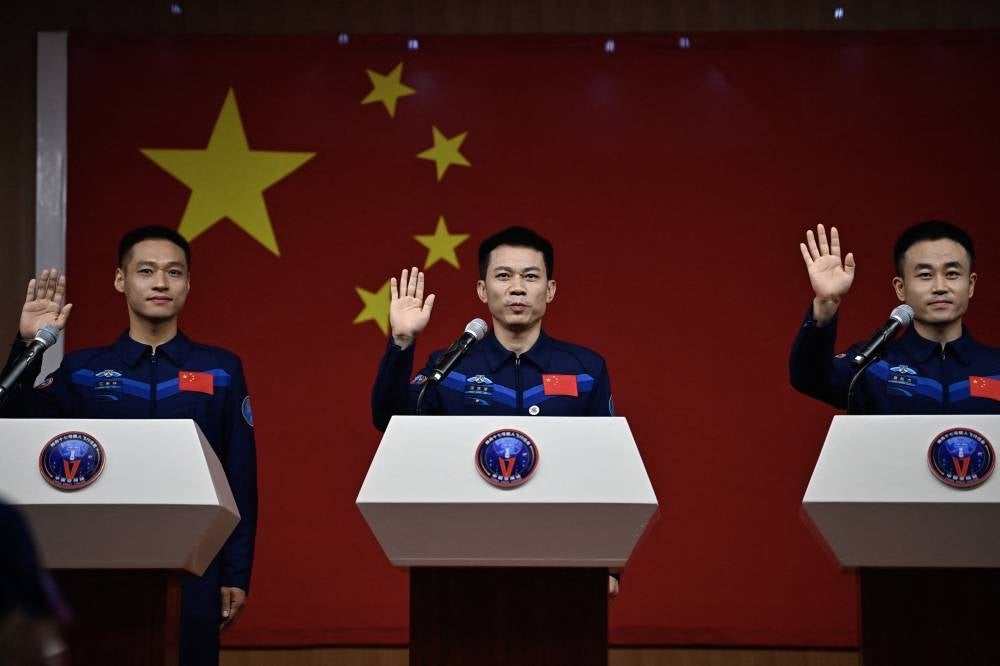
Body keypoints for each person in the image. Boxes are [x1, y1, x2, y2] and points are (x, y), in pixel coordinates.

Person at [0, 226, 257, 665]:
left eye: (174, 272)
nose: (161, 282)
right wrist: (29, 347)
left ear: (188, 283)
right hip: (98, 563)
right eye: (146, 271)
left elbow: (240, 476)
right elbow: (16, 422)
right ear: (121, 280)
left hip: (194, 564)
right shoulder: (81, 371)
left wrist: (235, 572)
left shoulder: (222, 371)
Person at [371, 225, 619, 595]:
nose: (517, 287)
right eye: (503, 276)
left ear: (549, 290)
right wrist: (402, 343)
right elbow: (388, 422)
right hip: (461, 557)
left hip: (562, 558)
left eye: (530, 276)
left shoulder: (585, 369)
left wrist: (609, 565)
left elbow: (609, 468)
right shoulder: (449, 367)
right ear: (482, 290)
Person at [790, 221, 1000, 413]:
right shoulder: (873, 364)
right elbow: (810, 378)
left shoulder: (995, 367)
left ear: (971, 285)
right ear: (901, 289)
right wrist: (826, 303)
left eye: (952, 274)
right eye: (925, 275)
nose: (940, 287)